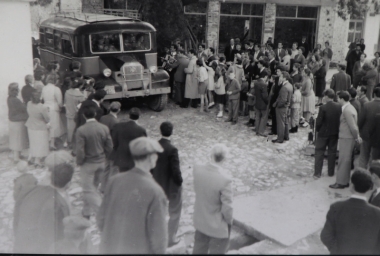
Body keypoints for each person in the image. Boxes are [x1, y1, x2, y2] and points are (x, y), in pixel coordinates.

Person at [97, 137, 167, 254]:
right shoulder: (155, 192)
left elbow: (100, 220)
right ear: (151, 158)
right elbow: (158, 240)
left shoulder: (114, 181)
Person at [13, 162, 74, 254]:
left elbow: (16, 215)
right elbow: (61, 237)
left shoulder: (28, 190)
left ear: (50, 177)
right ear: (69, 184)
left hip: (20, 244)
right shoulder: (61, 205)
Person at [321, 170, 380, 254]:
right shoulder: (377, 213)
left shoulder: (336, 207)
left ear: (351, 186)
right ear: (369, 188)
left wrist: (336, 250)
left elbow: (325, 235)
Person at [192, 144, 233, 254]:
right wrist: (229, 222)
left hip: (201, 221)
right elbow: (227, 209)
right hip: (217, 226)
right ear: (225, 159)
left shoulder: (197, 170)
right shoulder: (225, 180)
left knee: (198, 250)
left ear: (211, 155)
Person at [76, 105, 113, 219]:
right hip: (101, 162)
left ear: (83, 115)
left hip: (88, 163)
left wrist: (79, 162)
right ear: (95, 114)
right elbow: (110, 147)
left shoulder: (81, 130)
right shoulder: (103, 128)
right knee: (93, 188)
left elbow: (80, 150)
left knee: (88, 189)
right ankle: (86, 212)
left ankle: (103, 213)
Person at [151, 122, 183, 247]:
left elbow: (151, 165)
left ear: (160, 131)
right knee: (175, 210)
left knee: (158, 211)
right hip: (170, 185)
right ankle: (171, 237)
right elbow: (175, 170)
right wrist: (180, 182)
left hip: (158, 182)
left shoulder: (155, 146)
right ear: (172, 132)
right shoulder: (172, 149)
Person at [329, 91, 361, 189]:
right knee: (346, 160)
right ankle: (344, 181)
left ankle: (341, 182)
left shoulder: (347, 110)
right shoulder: (350, 108)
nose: (337, 100)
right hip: (347, 138)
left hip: (346, 138)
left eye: (338, 98)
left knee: (343, 161)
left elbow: (353, 127)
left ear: (342, 99)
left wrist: (357, 138)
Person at [313, 89, 342, 178]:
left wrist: (317, 130)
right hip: (334, 133)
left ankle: (317, 173)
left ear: (326, 96)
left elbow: (318, 122)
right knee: (332, 152)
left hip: (323, 133)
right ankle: (331, 172)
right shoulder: (339, 106)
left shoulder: (323, 107)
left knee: (319, 152)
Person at [111, 107, 147, 172]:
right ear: (139, 117)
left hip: (122, 158)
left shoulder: (119, 126)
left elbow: (115, 142)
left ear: (129, 116)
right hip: (134, 160)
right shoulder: (141, 130)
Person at [25, 90, 50, 167]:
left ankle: (31, 157)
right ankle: (37, 161)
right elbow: (47, 119)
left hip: (31, 125)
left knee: (33, 143)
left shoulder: (29, 103)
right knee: (40, 144)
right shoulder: (42, 107)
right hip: (40, 127)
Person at [358, 88, 380, 168]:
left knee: (363, 157)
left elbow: (360, 121)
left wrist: (359, 132)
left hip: (366, 135)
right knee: (375, 159)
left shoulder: (367, 105)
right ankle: (372, 177)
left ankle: (361, 176)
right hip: (378, 137)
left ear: (374, 94)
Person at [41, 73, 65, 149]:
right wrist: (62, 107)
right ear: (56, 80)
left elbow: (41, 98)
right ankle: (52, 144)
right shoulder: (56, 89)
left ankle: (47, 142)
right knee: (54, 126)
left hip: (45, 107)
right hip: (53, 108)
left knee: (48, 125)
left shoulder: (44, 88)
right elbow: (60, 102)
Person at [7, 83, 29, 163]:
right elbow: (23, 108)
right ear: (14, 91)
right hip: (18, 122)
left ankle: (18, 155)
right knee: (18, 140)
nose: (18, 91)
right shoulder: (15, 100)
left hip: (13, 121)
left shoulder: (9, 98)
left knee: (16, 139)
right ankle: (16, 157)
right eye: (16, 89)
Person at [272, 71, 293, 143]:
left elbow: (283, 100)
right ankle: (286, 136)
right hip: (286, 107)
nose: (279, 78)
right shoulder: (290, 85)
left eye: (281, 76)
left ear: (284, 78)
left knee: (280, 123)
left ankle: (280, 138)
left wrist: (277, 105)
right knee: (285, 122)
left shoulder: (284, 87)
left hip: (281, 108)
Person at [64, 78, 85, 149]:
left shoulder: (67, 92)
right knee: (76, 130)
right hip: (76, 115)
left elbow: (65, 102)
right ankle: (74, 144)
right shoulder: (81, 96)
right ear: (81, 86)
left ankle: (69, 142)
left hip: (68, 112)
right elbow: (82, 107)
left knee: (69, 129)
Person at [253, 69, 269, 137]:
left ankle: (257, 130)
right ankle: (261, 131)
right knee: (263, 117)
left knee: (257, 117)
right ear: (265, 76)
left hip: (257, 102)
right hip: (263, 104)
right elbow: (265, 96)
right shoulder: (264, 84)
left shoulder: (256, 83)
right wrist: (267, 102)